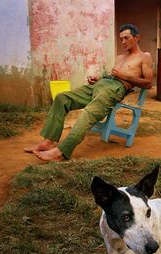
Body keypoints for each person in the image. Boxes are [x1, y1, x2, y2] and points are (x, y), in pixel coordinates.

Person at [25, 24, 153, 162]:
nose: (123, 42)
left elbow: (148, 83)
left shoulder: (144, 56)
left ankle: (61, 152)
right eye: (121, 39)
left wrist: (125, 76)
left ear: (137, 37)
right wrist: (99, 79)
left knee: (88, 112)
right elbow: (113, 75)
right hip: (102, 84)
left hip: (114, 89)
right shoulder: (120, 57)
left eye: (126, 38)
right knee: (62, 98)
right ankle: (48, 141)